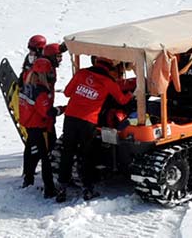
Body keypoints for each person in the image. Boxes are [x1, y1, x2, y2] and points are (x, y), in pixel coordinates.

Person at [56, 56, 133, 202]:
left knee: (67, 152)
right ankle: (87, 189)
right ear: (110, 68)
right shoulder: (108, 82)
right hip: (88, 121)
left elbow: (67, 93)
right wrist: (132, 94)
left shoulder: (81, 74)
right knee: (86, 155)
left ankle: (61, 187)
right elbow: (122, 100)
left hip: (71, 117)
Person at [19, 57, 59, 197]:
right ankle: (49, 189)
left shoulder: (26, 86)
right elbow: (46, 112)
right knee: (46, 158)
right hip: (40, 128)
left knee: (31, 152)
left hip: (29, 126)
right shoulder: (40, 92)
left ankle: (28, 179)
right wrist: (61, 110)